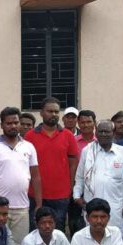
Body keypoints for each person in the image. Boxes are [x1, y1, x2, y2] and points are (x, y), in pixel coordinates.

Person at [0, 107, 41, 245]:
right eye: (9, 123)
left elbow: (36, 177)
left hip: (22, 208)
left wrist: (39, 204)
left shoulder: (28, 147)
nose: (13, 126)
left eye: (16, 122)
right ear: (2, 125)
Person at [73, 120, 123, 238]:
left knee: (115, 236)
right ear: (96, 133)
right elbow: (80, 176)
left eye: (107, 131)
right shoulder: (88, 151)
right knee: (91, 238)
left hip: (115, 207)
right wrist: (77, 196)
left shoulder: (122, 152)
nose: (103, 134)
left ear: (113, 133)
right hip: (91, 205)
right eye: (100, 131)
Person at [24, 97, 79, 231]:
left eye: (56, 111)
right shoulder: (30, 136)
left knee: (57, 232)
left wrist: (70, 186)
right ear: (41, 113)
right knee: (36, 232)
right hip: (35, 195)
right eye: (50, 111)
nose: (53, 114)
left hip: (60, 196)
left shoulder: (68, 135)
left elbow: (73, 163)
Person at [69, 110, 97, 233]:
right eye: (82, 122)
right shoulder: (72, 141)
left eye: (89, 122)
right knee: (75, 223)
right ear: (78, 124)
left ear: (94, 123)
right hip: (75, 187)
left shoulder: (101, 142)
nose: (85, 125)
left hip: (96, 188)